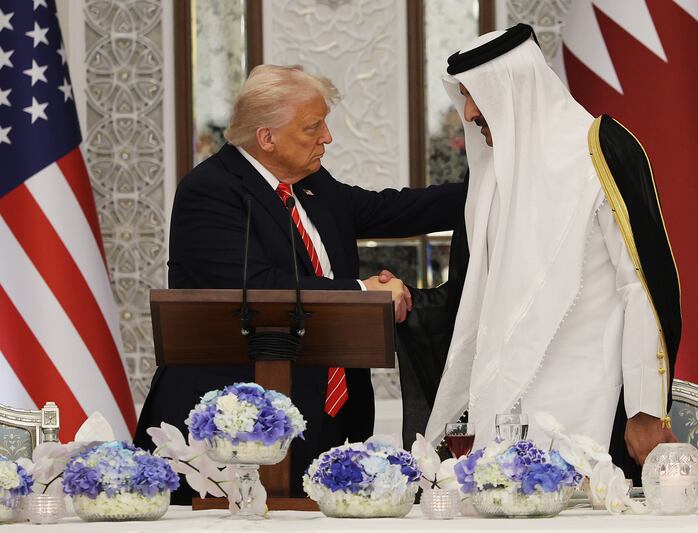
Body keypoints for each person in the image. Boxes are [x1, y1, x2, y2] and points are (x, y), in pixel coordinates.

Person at [133, 65, 465, 500]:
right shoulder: (210, 190)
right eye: (313, 126)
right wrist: (364, 294)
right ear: (266, 137)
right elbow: (255, 288)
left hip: (325, 412)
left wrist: (494, 182)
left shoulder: (310, 184)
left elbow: (390, 210)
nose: (327, 137)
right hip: (235, 422)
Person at [400, 24, 681, 480]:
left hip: (591, 409)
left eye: (476, 95)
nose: (468, 113)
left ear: (513, 87)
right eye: (463, 96)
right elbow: (475, 298)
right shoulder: (490, 179)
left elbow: (642, 288)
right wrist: (402, 300)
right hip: (501, 419)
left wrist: (645, 410)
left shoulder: (599, 152)